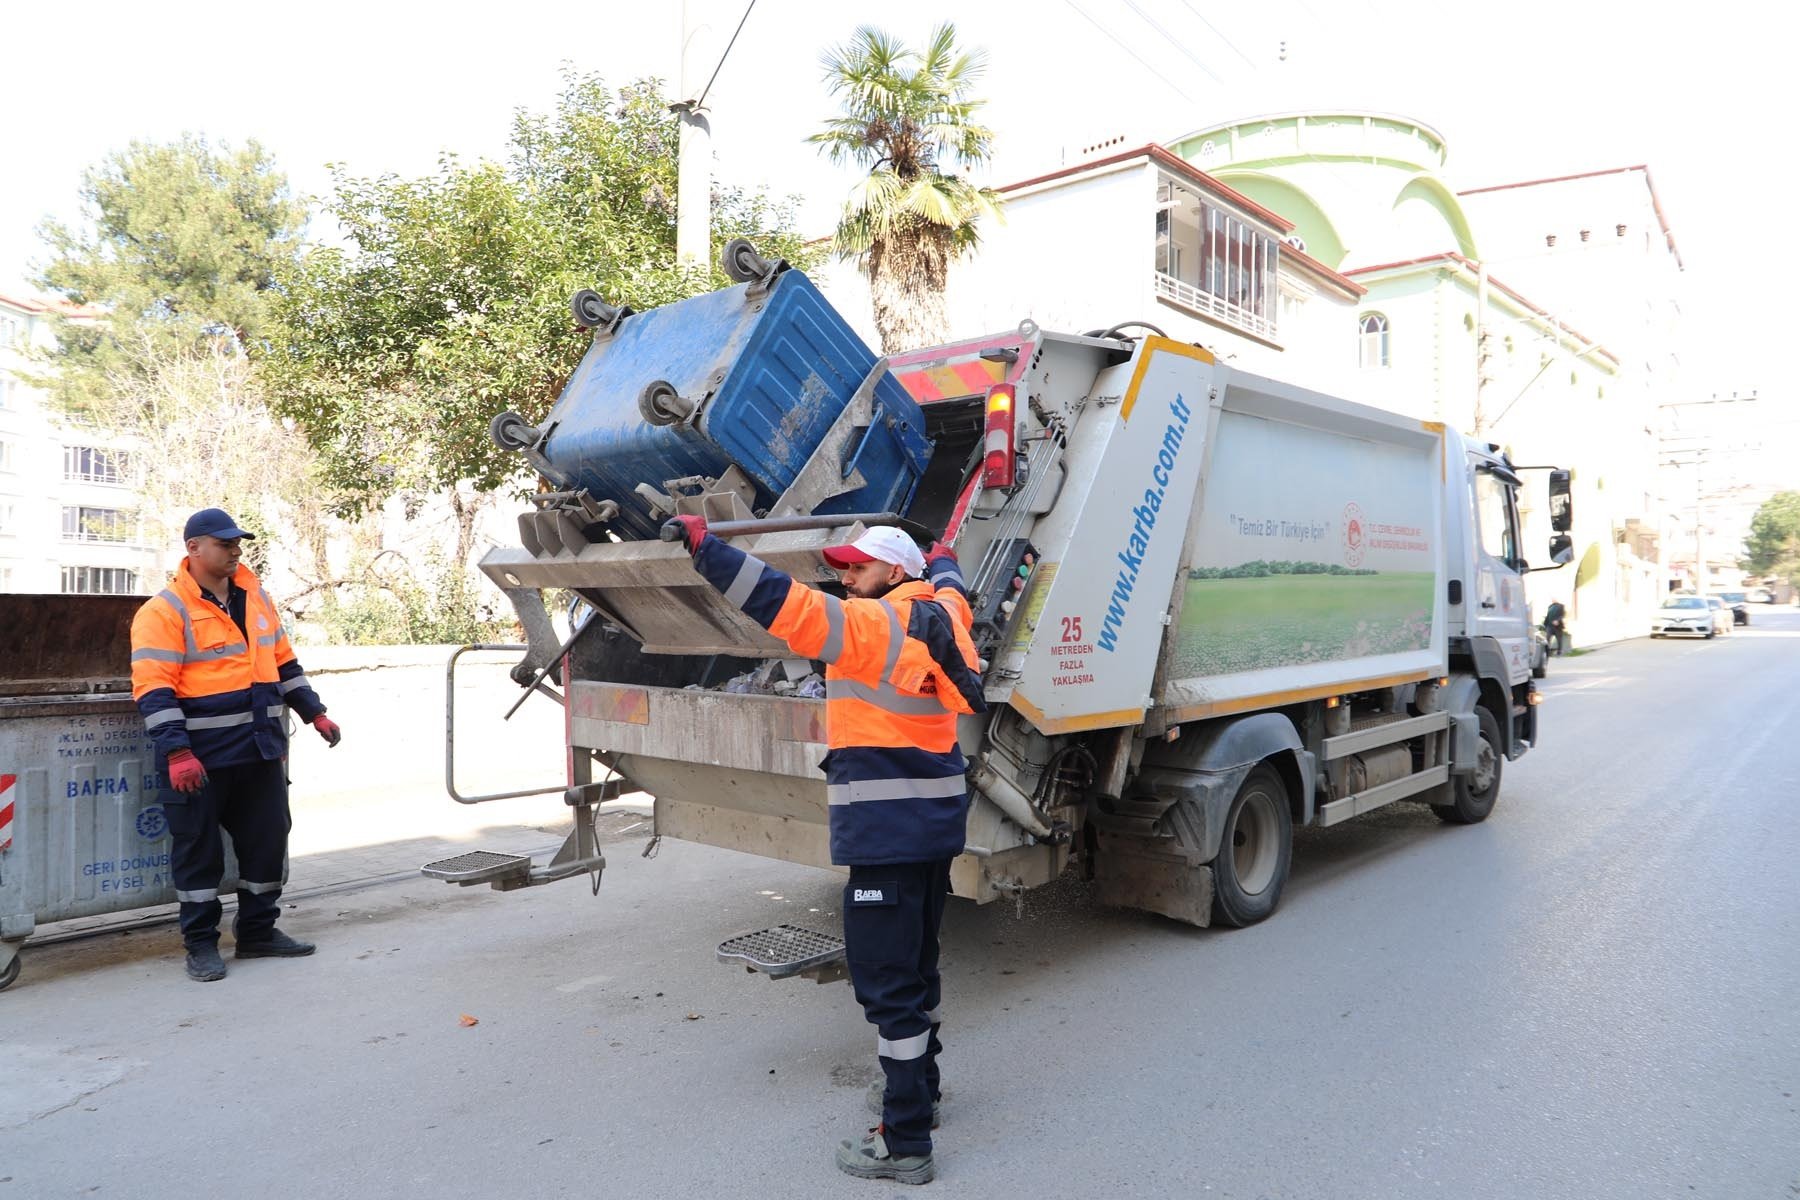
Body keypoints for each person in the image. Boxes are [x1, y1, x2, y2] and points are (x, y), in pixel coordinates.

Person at [670, 514, 983, 1186]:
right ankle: (919, 1096)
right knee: (917, 969)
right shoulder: (945, 612)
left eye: (858, 567)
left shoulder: (873, 627)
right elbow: (954, 583)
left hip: (884, 836)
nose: (845, 578)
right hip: (930, 832)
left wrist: (706, 547)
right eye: (843, 567)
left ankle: (904, 1142)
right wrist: (946, 553)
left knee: (887, 987)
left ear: (894, 573)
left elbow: (783, 603)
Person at [130, 509, 342, 982]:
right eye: (224, 543)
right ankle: (202, 945)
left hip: (260, 750)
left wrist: (314, 711)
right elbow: (154, 690)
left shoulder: (255, 598)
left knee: (267, 844)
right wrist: (178, 753)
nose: (235, 550)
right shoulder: (163, 612)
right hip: (200, 760)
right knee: (198, 852)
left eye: (237, 543)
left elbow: (285, 662)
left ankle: (258, 933)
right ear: (194, 549)